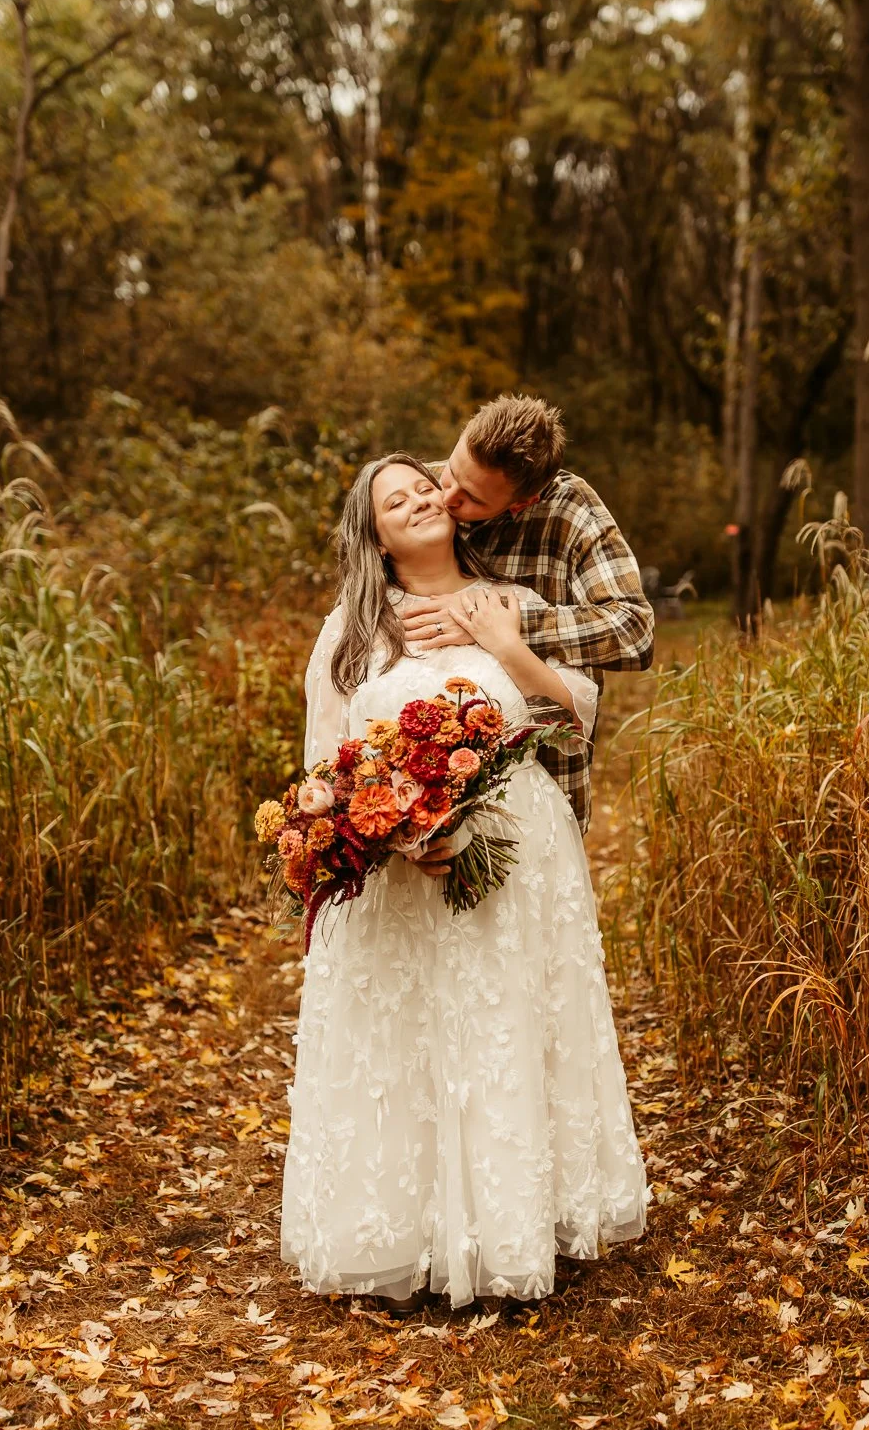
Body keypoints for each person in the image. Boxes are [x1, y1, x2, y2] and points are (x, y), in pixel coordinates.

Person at [280, 451, 648, 1312]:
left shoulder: (507, 601)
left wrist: (504, 644)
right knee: (407, 1034)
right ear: (374, 536)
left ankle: (513, 1224)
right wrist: (400, 832)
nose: (417, 500)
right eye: (393, 500)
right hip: (401, 872)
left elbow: (572, 718)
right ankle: (403, 1231)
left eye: (424, 487)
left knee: (503, 1023)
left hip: (517, 853)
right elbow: (326, 766)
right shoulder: (352, 631)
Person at [401, 394, 655, 837]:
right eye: (452, 471)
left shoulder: (570, 510)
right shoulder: (421, 490)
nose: (447, 497)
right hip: (423, 782)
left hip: (542, 774)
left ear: (522, 502)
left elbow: (635, 630)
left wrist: (500, 624)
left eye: (473, 498)